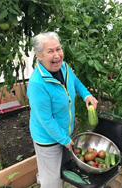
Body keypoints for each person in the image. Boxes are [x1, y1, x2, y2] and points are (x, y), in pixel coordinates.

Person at [27, 31, 98, 188]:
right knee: (51, 181)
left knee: (64, 171)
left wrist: (87, 96)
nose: (57, 55)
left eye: (58, 49)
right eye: (50, 51)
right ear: (39, 55)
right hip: (47, 139)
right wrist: (65, 140)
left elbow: (76, 82)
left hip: (64, 133)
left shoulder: (64, 68)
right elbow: (45, 119)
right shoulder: (37, 84)